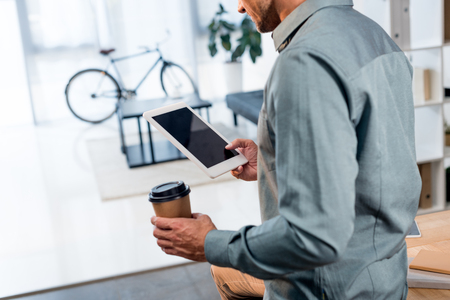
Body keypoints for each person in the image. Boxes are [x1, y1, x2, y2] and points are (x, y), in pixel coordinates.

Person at [150, 0, 421, 299]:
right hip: (386, 281)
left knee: (220, 268)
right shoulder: (374, 35)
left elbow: (314, 236)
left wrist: (209, 243)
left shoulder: (304, 61)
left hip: (328, 288)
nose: (240, 8)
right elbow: (372, 161)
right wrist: (276, 157)